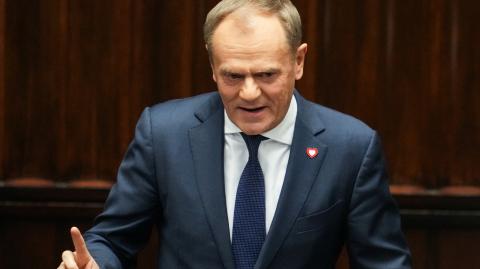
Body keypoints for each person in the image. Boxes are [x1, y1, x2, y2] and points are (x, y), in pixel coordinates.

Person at [58, 0, 412, 268]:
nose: (249, 93)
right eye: (233, 76)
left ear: (299, 61)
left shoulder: (350, 147)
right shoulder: (164, 134)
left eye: (267, 75)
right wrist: (95, 263)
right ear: (212, 67)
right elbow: (113, 240)